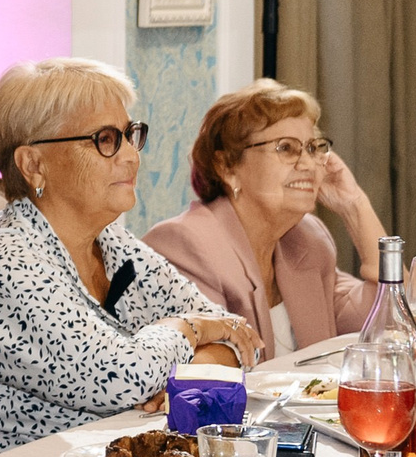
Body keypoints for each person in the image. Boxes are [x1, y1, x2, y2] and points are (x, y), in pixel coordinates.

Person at [0, 58, 260, 457]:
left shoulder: (113, 243)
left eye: (130, 135)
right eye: (106, 139)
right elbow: (123, 378)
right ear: (34, 165)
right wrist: (188, 330)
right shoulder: (1, 260)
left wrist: (176, 377)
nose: (131, 155)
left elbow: (241, 339)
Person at [143, 80, 384, 357]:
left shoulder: (307, 238)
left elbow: (390, 322)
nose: (306, 163)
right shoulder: (186, 245)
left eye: (313, 148)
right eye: (286, 148)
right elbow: (209, 374)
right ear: (227, 167)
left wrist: (355, 205)